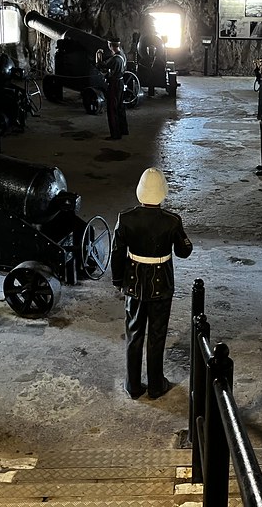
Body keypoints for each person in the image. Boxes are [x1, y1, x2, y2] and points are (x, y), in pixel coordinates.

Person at [110, 167, 193, 400]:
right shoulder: (171, 221)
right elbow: (184, 251)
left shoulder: (125, 218)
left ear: (140, 191)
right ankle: (156, 385)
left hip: (134, 281)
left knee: (134, 333)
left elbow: (117, 253)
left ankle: (133, 385)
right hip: (161, 282)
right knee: (157, 335)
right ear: (163, 192)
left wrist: (118, 280)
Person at [95, 37, 129, 139]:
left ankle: (115, 134)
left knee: (112, 109)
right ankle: (124, 130)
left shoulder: (115, 59)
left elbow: (100, 66)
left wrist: (98, 55)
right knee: (120, 107)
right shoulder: (122, 56)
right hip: (121, 82)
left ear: (110, 45)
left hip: (114, 84)